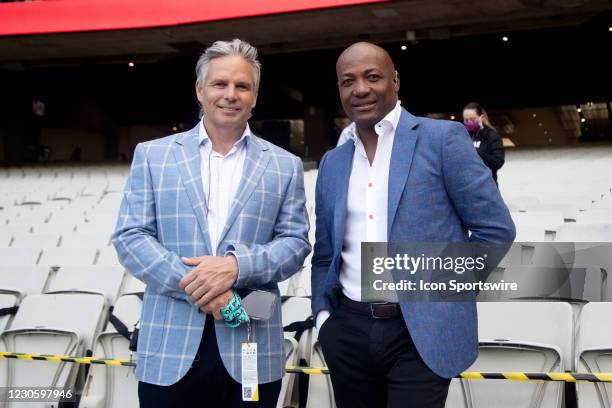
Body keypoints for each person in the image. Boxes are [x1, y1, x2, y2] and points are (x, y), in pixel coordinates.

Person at [311, 42, 515, 408]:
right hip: (348, 333)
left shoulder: (442, 140)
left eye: (373, 77)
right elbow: (325, 254)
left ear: (396, 81)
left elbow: (495, 230)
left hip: (420, 333)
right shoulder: (333, 162)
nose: (360, 89)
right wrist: (325, 320)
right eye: (348, 81)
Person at [112, 39, 311, 408]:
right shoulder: (153, 156)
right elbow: (130, 238)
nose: (230, 94)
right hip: (169, 346)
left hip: (251, 330)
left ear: (255, 96)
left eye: (242, 86)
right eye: (220, 84)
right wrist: (204, 289)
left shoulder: (284, 165)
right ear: (200, 90)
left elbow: (295, 244)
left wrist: (236, 266)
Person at [462, 102, 505, 184]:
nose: (469, 122)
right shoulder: (463, 136)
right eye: (466, 120)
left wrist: (475, 152)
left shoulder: (491, 136)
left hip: (487, 185)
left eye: (472, 119)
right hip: (468, 185)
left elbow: (498, 162)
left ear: (481, 117)